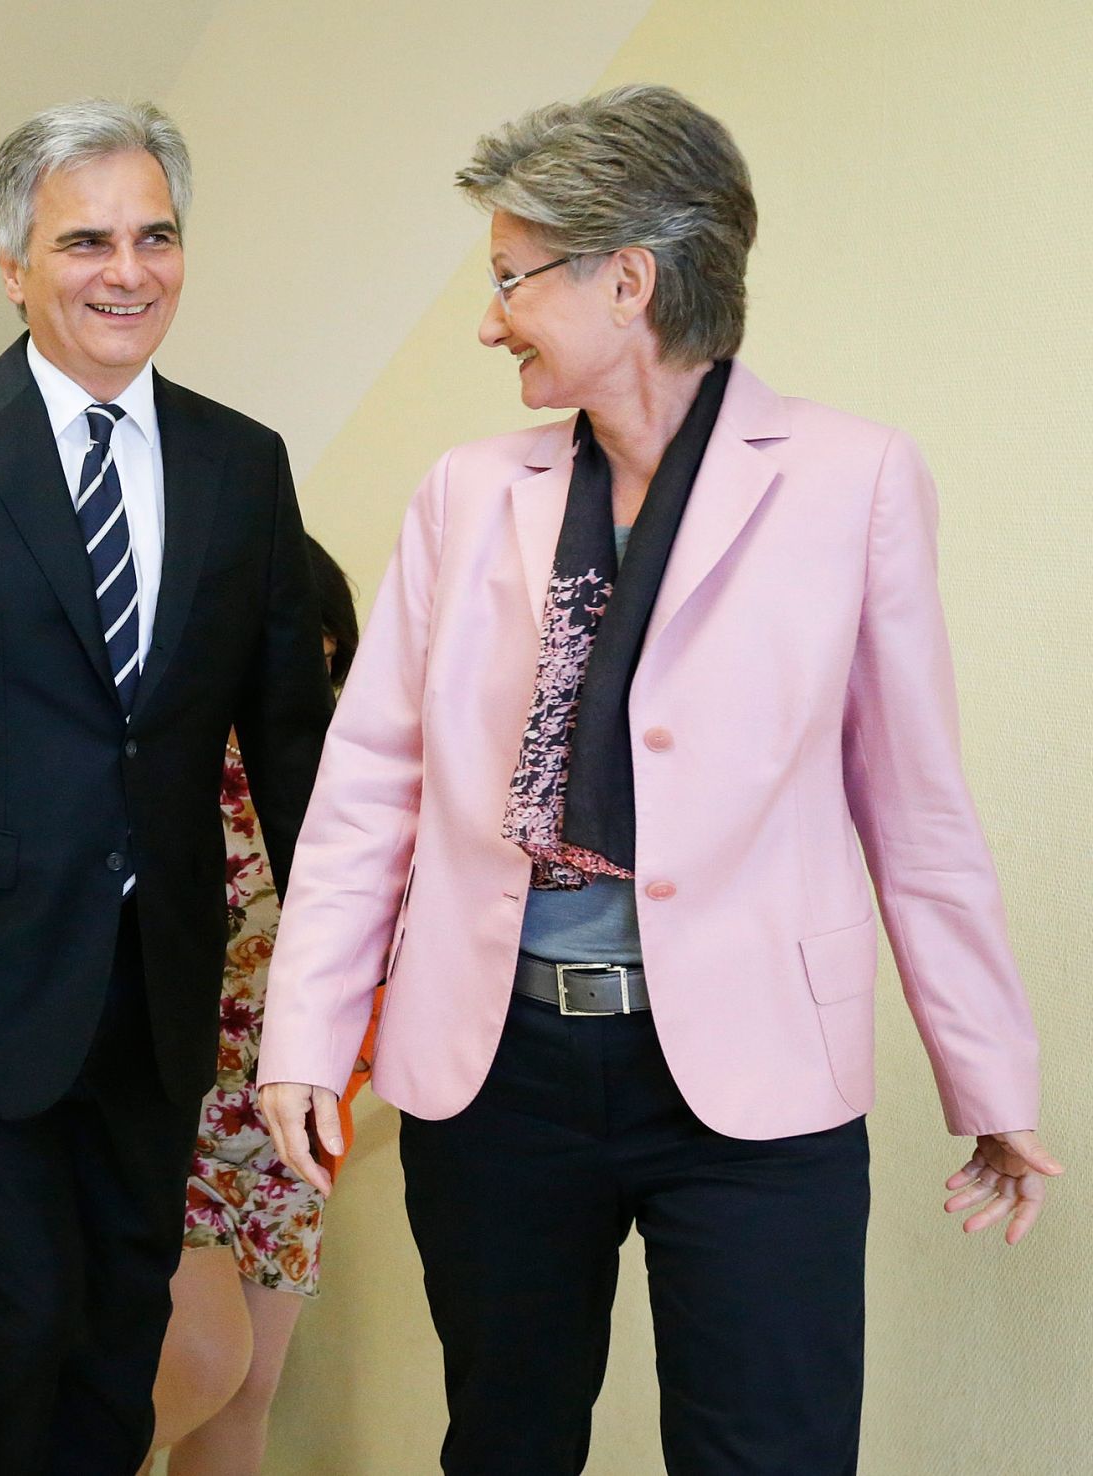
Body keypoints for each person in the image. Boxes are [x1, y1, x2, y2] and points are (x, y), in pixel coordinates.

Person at [257, 85, 1060, 1475]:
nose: (489, 315)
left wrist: (985, 1072)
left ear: (626, 280)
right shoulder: (467, 493)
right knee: (506, 1447)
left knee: (769, 1452)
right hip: (497, 1068)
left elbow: (915, 808)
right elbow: (368, 789)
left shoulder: (851, 482)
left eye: (511, 279)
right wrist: (307, 1035)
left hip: (754, 1081)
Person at [0, 98, 332, 1475]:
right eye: (86, 239)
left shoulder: (242, 464)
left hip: (155, 1002)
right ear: (13, 265)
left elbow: (293, 751)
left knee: (113, 1325)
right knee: (8, 1315)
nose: (127, 271)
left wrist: (338, 990)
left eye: (155, 237)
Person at [146, 536, 360, 1475]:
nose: (306, 675)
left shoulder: (348, 771)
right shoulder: (175, 752)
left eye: (323, 654)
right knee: (199, 1358)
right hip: (176, 1105)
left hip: (284, 1121)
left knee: (247, 1394)